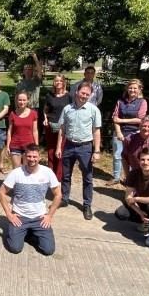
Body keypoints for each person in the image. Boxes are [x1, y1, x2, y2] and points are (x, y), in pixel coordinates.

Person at [0, 144, 61, 255]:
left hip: (39, 217)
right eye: (29, 156)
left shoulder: (47, 172)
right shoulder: (16, 173)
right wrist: (9, 214)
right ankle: (15, 231)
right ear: (25, 157)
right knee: (15, 248)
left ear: (39, 157)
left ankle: (29, 232)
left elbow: (58, 195)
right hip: (20, 217)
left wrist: (49, 215)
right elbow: (1, 192)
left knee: (48, 250)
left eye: (34, 156)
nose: (32, 159)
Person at [56, 82, 102, 220]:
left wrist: (97, 151)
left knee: (87, 178)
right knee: (65, 175)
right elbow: (62, 129)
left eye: (87, 94)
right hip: (69, 145)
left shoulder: (93, 110)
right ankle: (64, 198)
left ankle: (87, 205)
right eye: (83, 93)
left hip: (85, 147)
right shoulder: (67, 109)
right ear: (77, 92)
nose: (84, 96)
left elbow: (96, 131)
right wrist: (59, 146)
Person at [109, 79, 147, 185]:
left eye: (135, 88)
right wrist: (118, 132)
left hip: (134, 133)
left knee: (132, 156)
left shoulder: (142, 102)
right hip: (119, 132)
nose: (132, 90)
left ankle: (129, 178)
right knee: (117, 155)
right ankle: (116, 177)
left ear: (139, 89)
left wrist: (122, 120)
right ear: (127, 89)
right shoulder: (120, 101)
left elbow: (140, 119)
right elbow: (115, 117)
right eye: (130, 88)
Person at [43, 74, 72, 181]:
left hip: (63, 127)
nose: (58, 82)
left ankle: (58, 176)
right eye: (56, 81)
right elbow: (45, 109)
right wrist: (45, 119)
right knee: (51, 150)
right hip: (50, 125)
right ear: (54, 83)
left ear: (64, 82)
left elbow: (72, 111)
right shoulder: (49, 95)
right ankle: (50, 172)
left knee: (61, 150)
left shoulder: (69, 96)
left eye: (60, 81)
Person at [6, 91, 38, 169]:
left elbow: (35, 131)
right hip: (15, 145)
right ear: (17, 101)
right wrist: (7, 146)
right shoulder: (13, 114)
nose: (22, 102)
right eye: (20, 100)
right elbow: (9, 131)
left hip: (29, 145)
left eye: (24, 100)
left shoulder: (33, 113)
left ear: (28, 100)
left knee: (27, 169)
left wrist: (36, 146)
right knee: (16, 169)